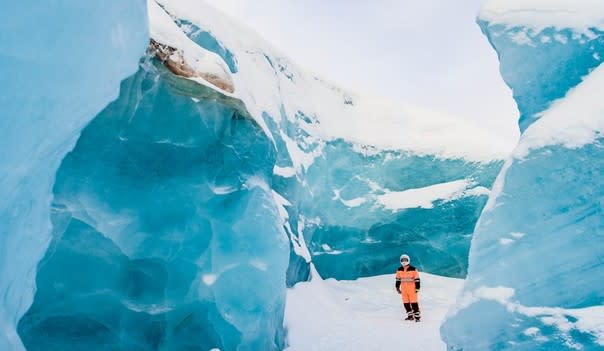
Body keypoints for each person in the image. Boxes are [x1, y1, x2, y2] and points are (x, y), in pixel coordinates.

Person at [395, 254, 421, 322]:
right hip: (404, 290)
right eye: (402, 260)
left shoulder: (413, 269)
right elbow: (398, 279)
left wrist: (417, 288)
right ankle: (410, 316)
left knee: (414, 303)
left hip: (412, 289)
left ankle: (417, 317)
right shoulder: (399, 270)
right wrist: (397, 287)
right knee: (405, 303)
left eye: (405, 260)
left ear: (408, 260)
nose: (404, 261)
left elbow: (417, 279)